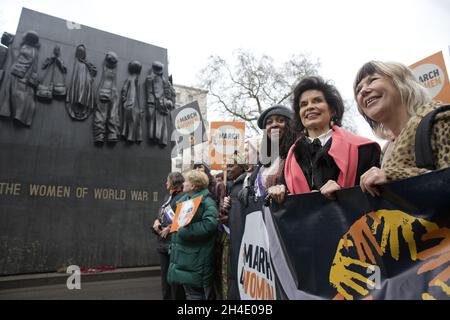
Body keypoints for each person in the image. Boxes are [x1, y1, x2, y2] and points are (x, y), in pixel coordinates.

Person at [268, 76, 381, 203]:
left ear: (332, 110)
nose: (309, 107)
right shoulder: (291, 157)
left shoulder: (363, 149)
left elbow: (377, 200)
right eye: (303, 104)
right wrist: (278, 191)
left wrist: (343, 194)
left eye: (317, 101)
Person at [353, 61, 450, 196]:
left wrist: (394, 176)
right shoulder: (386, 149)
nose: (363, 91)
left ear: (401, 83)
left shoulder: (441, 119)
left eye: (373, 80)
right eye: (358, 89)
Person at [167, 170, 218, 300]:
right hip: (185, 258)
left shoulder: (207, 202)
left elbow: (210, 225)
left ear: (194, 186)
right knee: (190, 294)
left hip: (196, 259)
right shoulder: (185, 201)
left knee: (195, 296)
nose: (183, 183)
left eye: (187, 181)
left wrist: (183, 230)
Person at [239, 104, 297, 205]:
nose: (274, 125)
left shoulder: (299, 152)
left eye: (280, 120)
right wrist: (246, 192)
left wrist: (283, 189)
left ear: (290, 125)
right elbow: (254, 188)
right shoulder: (263, 162)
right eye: (269, 122)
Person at [152, 172, 186, 300]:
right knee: (165, 279)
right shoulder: (167, 197)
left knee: (175, 280)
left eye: (168, 180)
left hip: (174, 243)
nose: (166, 183)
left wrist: (171, 228)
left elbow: (184, 220)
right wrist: (156, 221)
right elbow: (161, 215)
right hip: (162, 243)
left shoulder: (183, 198)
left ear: (173, 183)